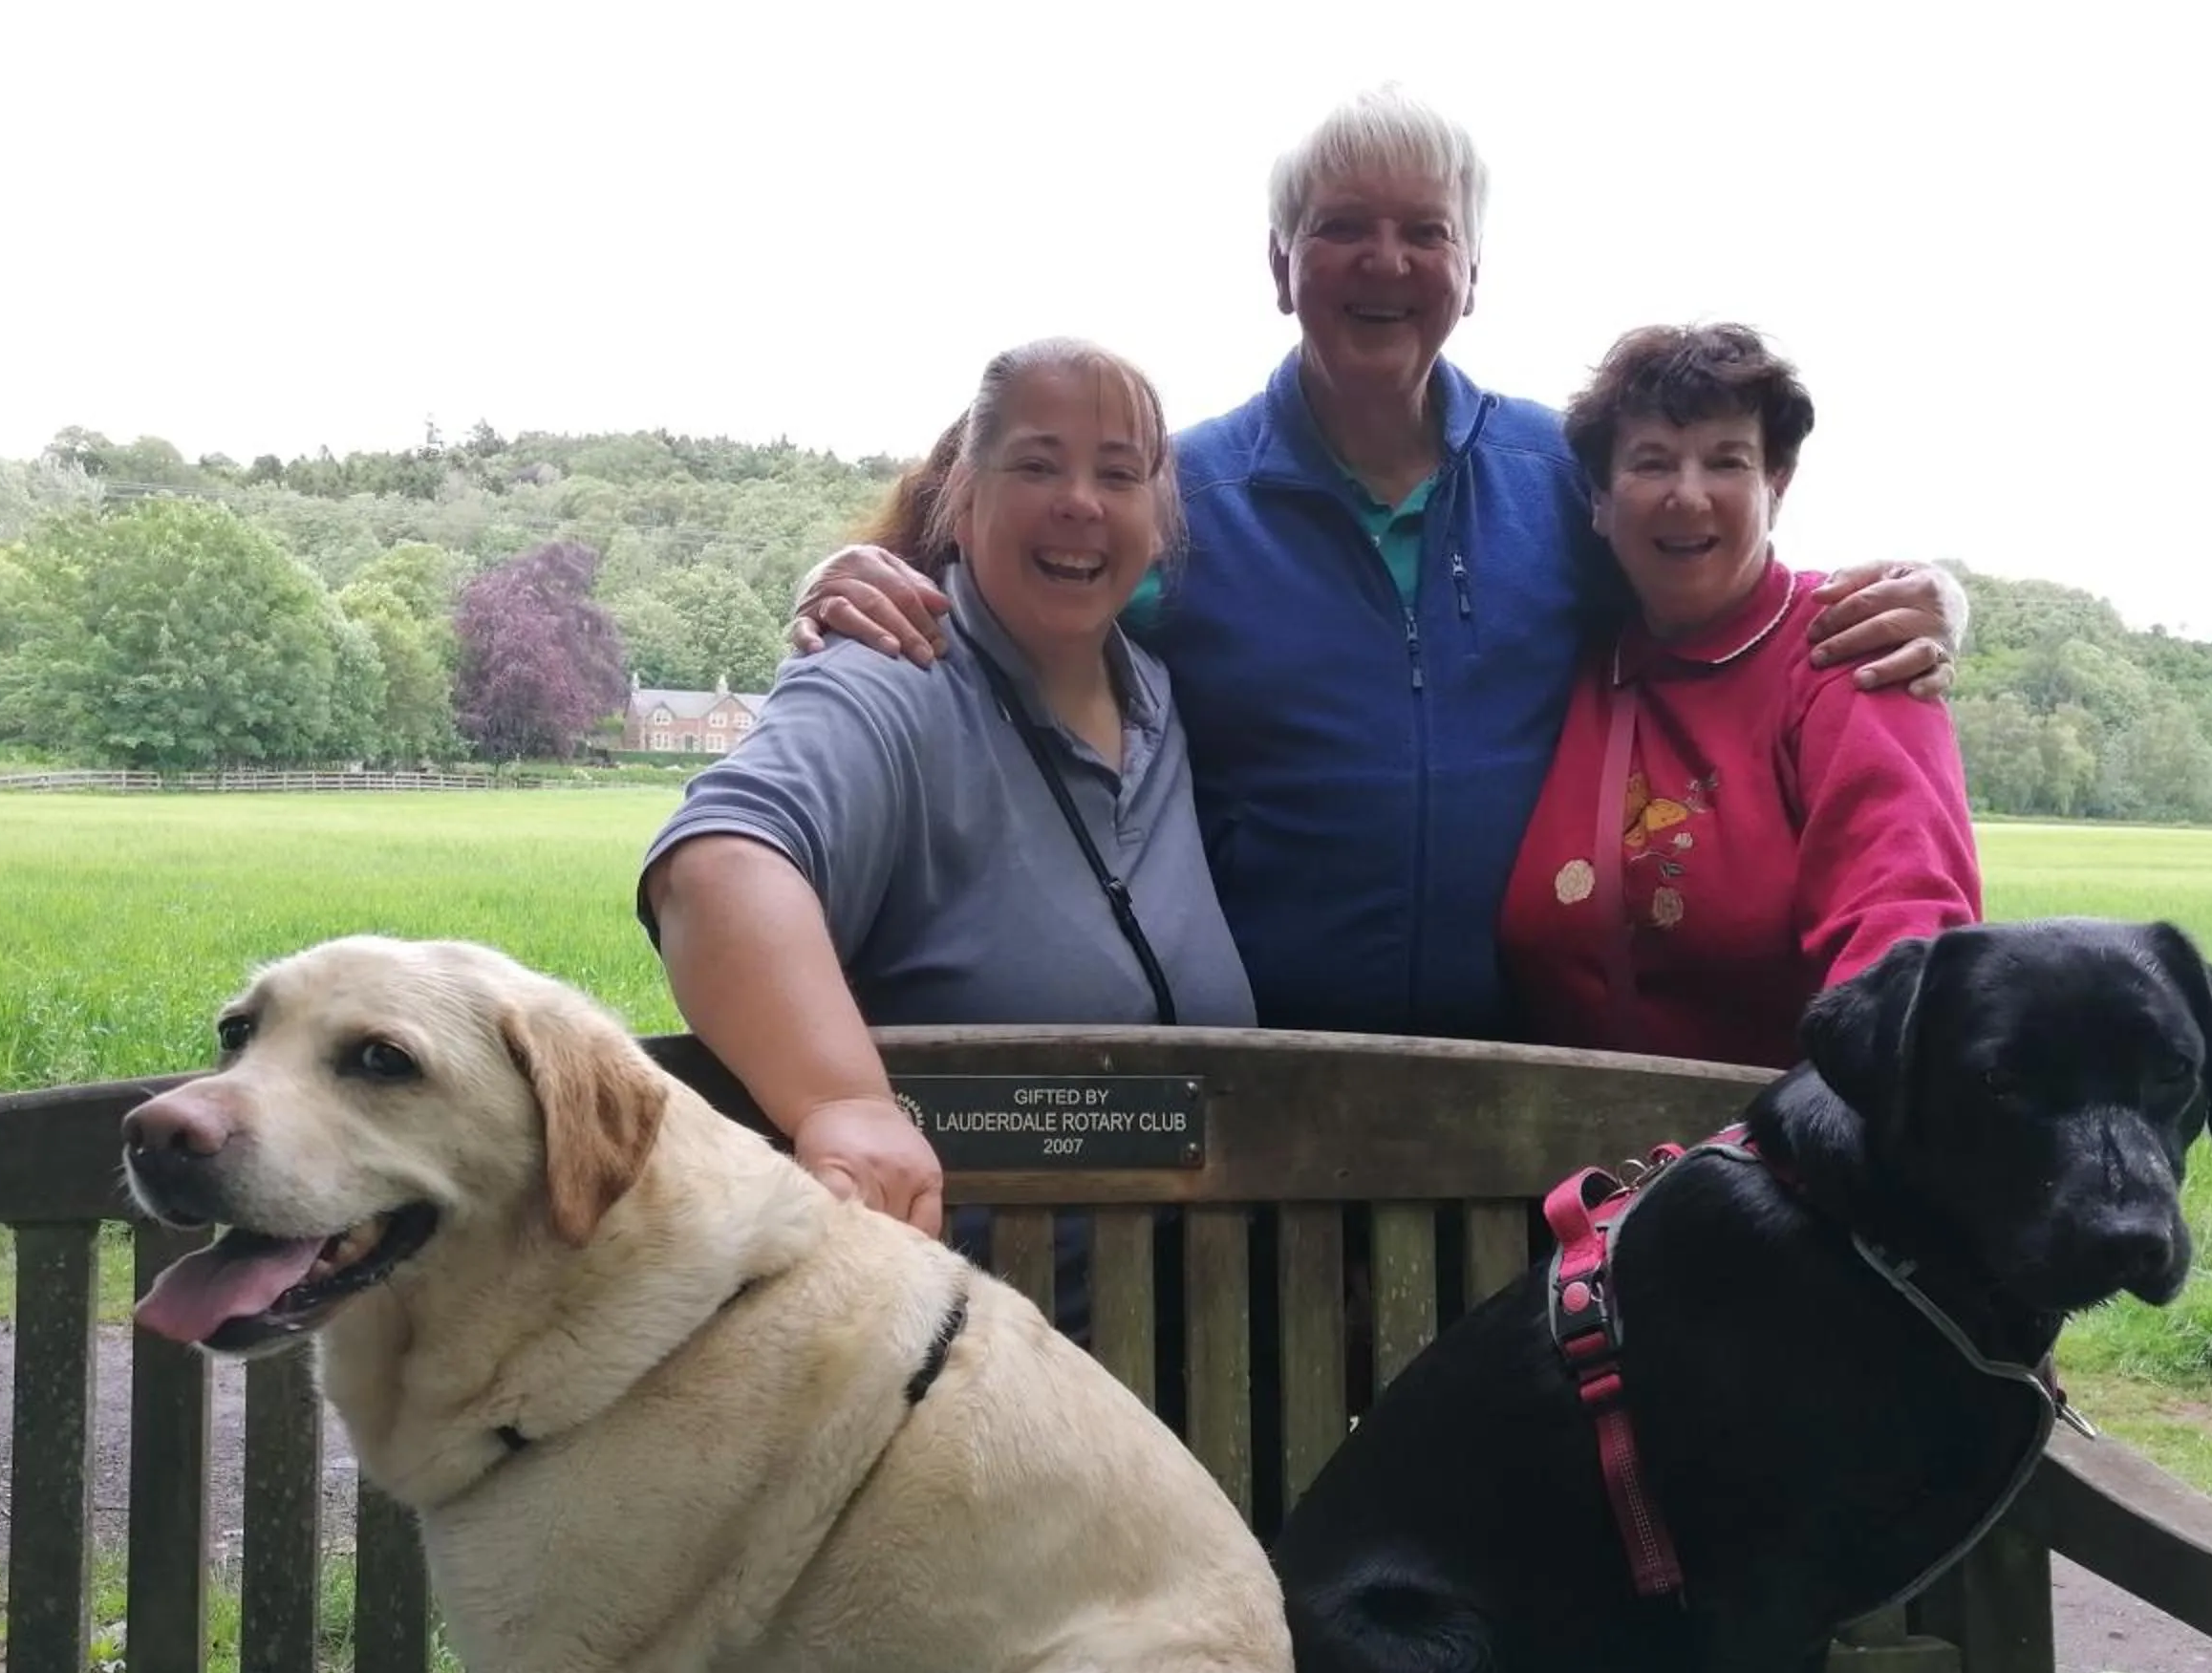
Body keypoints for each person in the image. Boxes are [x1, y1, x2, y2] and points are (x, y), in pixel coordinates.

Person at [791, 86, 1966, 1043]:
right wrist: (855, 570)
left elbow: (1713, 586)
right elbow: (993, 586)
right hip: (1262, 1082)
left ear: (1473, 270)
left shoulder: (1557, 476)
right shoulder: (1175, 492)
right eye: (1344, 226)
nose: (1385, 262)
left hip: (1519, 1084)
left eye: (1426, 232)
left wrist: (1935, 600)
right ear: (1280, 263)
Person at [639, 339, 1250, 1237]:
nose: (1080, 501)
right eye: (1038, 464)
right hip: (972, 1345)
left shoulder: (1160, 695)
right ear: (964, 501)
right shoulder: (888, 675)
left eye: (1118, 475)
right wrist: (843, 1103)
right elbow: (716, 870)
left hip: (1195, 1328)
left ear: (1157, 526)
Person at [1500, 324, 1980, 1069]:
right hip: (1560, 1164)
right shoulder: (1569, 656)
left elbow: (1905, 926)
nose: (1687, 497)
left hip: (1781, 1162)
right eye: (1651, 463)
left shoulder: (1847, 656)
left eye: (1727, 461)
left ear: (1776, 485)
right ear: (1598, 498)